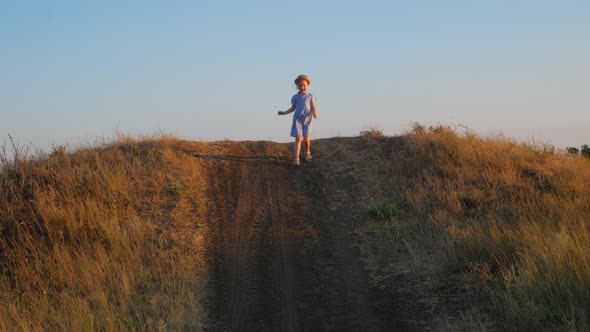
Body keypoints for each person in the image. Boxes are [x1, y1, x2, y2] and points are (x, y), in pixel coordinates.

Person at [277, 74, 318, 166]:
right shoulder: (295, 97)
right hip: (297, 120)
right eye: (300, 86)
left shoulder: (310, 96)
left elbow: (313, 107)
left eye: (304, 85)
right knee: (298, 138)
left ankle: (307, 153)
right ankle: (296, 158)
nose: (302, 87)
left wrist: (315, 113)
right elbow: (293, 108)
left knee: (306, 139)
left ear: (307, 86)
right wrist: (284, 113)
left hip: (308, 119)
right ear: (297, 86)